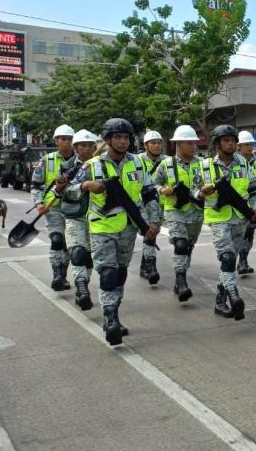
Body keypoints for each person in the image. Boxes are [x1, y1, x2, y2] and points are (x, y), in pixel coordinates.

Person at [69, 118, 162, 345]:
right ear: (108, 140)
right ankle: (110, 319)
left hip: (129, 228)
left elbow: (149, 193)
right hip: (102, 228)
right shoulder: (92, 165)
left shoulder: (138, 164)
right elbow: (68, 192)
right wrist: (85, 186)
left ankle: (114, 314)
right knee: (108, 273)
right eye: (117, 137)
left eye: (126, 137)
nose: (122, 141)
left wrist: (155, 222)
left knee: (120, 274)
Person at [194, 125, 256, 320]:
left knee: (229, 263)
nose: (231, 143)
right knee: (227, 258)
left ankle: (219, 301)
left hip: (240, 219)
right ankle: (234, 296)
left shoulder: (243, 163)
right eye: (226, 140)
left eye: (233, 140)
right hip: (218, 220)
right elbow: (193, 191)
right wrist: (201, 192)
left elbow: (253, 189)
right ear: (217, 143)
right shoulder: (205, 166)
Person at [153, 125, 204, 302]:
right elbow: (153, 184)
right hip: (175, 211)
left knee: (188, 246)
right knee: (180, 245)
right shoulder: (166, 165)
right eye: (189, 143)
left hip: (196, 211)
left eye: (194, 143)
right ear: (178, 144)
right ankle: (181, 280)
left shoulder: (203, 164)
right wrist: (163, 190)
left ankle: (180, 276)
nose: (193, 146)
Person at [30, 124, 76, 290]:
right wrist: (39, 203)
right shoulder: (46, 160)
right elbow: (35, 185)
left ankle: (63, 274)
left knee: (69, 245)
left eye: (69, 139)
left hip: (75, 209)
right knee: (56, 240)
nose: (67, 142)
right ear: (56, 141)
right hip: (54, 208)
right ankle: (57, 274)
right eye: (63, 139)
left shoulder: (81, 161)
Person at [57, 130, 98, 311]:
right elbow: (63, 192)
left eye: (90, 145)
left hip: (98, 216)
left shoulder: (101, 164)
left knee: (89, 257)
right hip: (76, 215)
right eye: (82, 145)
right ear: (75, 148)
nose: (86, 149)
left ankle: (84, 284)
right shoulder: (68, 167)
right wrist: (83, 185)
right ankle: (81, 289)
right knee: (78, 253)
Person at [137, 130, 165, 285]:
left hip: (159, 204)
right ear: (145, 145)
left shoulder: (167, 161)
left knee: (152, 233)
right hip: (142, 203)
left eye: (159, 142)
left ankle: (143, 266)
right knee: (149, 234)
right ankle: (151, 267)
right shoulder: (137, 160)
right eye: (153, 143)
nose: (157, 145)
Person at [235, 131, 256, 275]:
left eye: (251, 144)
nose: (249, 147)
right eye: (246, 144)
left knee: (250, 232)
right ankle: (233, 260)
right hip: (237, 203)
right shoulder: (234, 160)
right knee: (238, 233)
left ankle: (243, 260)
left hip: (254, 200)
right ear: (239, 146)